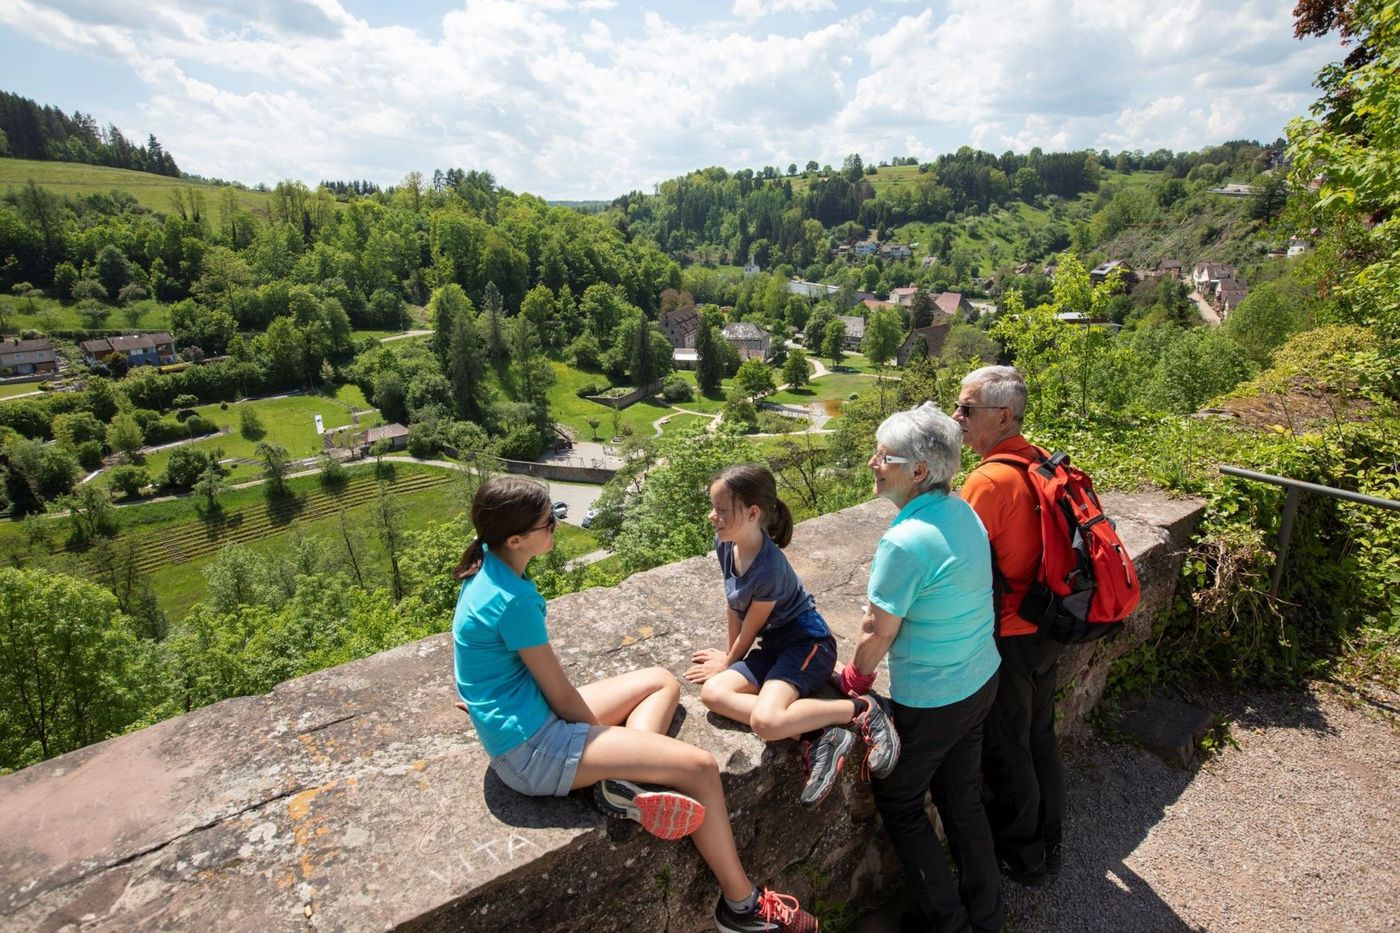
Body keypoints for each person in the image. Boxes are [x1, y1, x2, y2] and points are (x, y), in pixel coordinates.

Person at [452, 475, 819, 932]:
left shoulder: (486, 567)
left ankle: (621, 783)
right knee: (701, 768)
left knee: (661, 682)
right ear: (516, 538)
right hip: (533, 749)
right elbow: (563, 696)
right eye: (550, 522)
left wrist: (488, 704)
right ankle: (740, 908)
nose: (556, 528)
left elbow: (476, 663)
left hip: (524, 721)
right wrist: (600, 739)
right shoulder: (514, 600)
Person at [847, 402, 1003, 933]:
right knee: (961, 797)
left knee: (903, 802)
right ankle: (986, 912)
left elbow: (876, 631)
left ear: (917, 471)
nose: (872, 462)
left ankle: (948, 923)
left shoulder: (904, 540)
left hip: (935, 697)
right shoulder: (962, 511)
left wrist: (854, 682)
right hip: (980, 676)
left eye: (882, 456)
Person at [684, 464, 900, 806]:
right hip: (776, 646)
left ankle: (861, 708)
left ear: (753, 513)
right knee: (714, 693)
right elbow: (733, 607)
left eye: (721, 510)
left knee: (766, 722)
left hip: (806, 644)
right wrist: (727, 662)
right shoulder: (726, 544)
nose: (713, 516)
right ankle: (818, 734)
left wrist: (729, 662)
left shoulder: (769, 567)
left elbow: (751, 626)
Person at [953, 364, 1064, 888]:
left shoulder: (987, 480)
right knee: (1039, 732)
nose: (957, 418)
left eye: (966, 409)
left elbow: (957, 564)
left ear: (1001, 416)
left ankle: (1023, 855)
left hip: (1011, 631)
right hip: (1051, 619)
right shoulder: (1041, 459)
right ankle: (1051, 835)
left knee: (1006, 744)